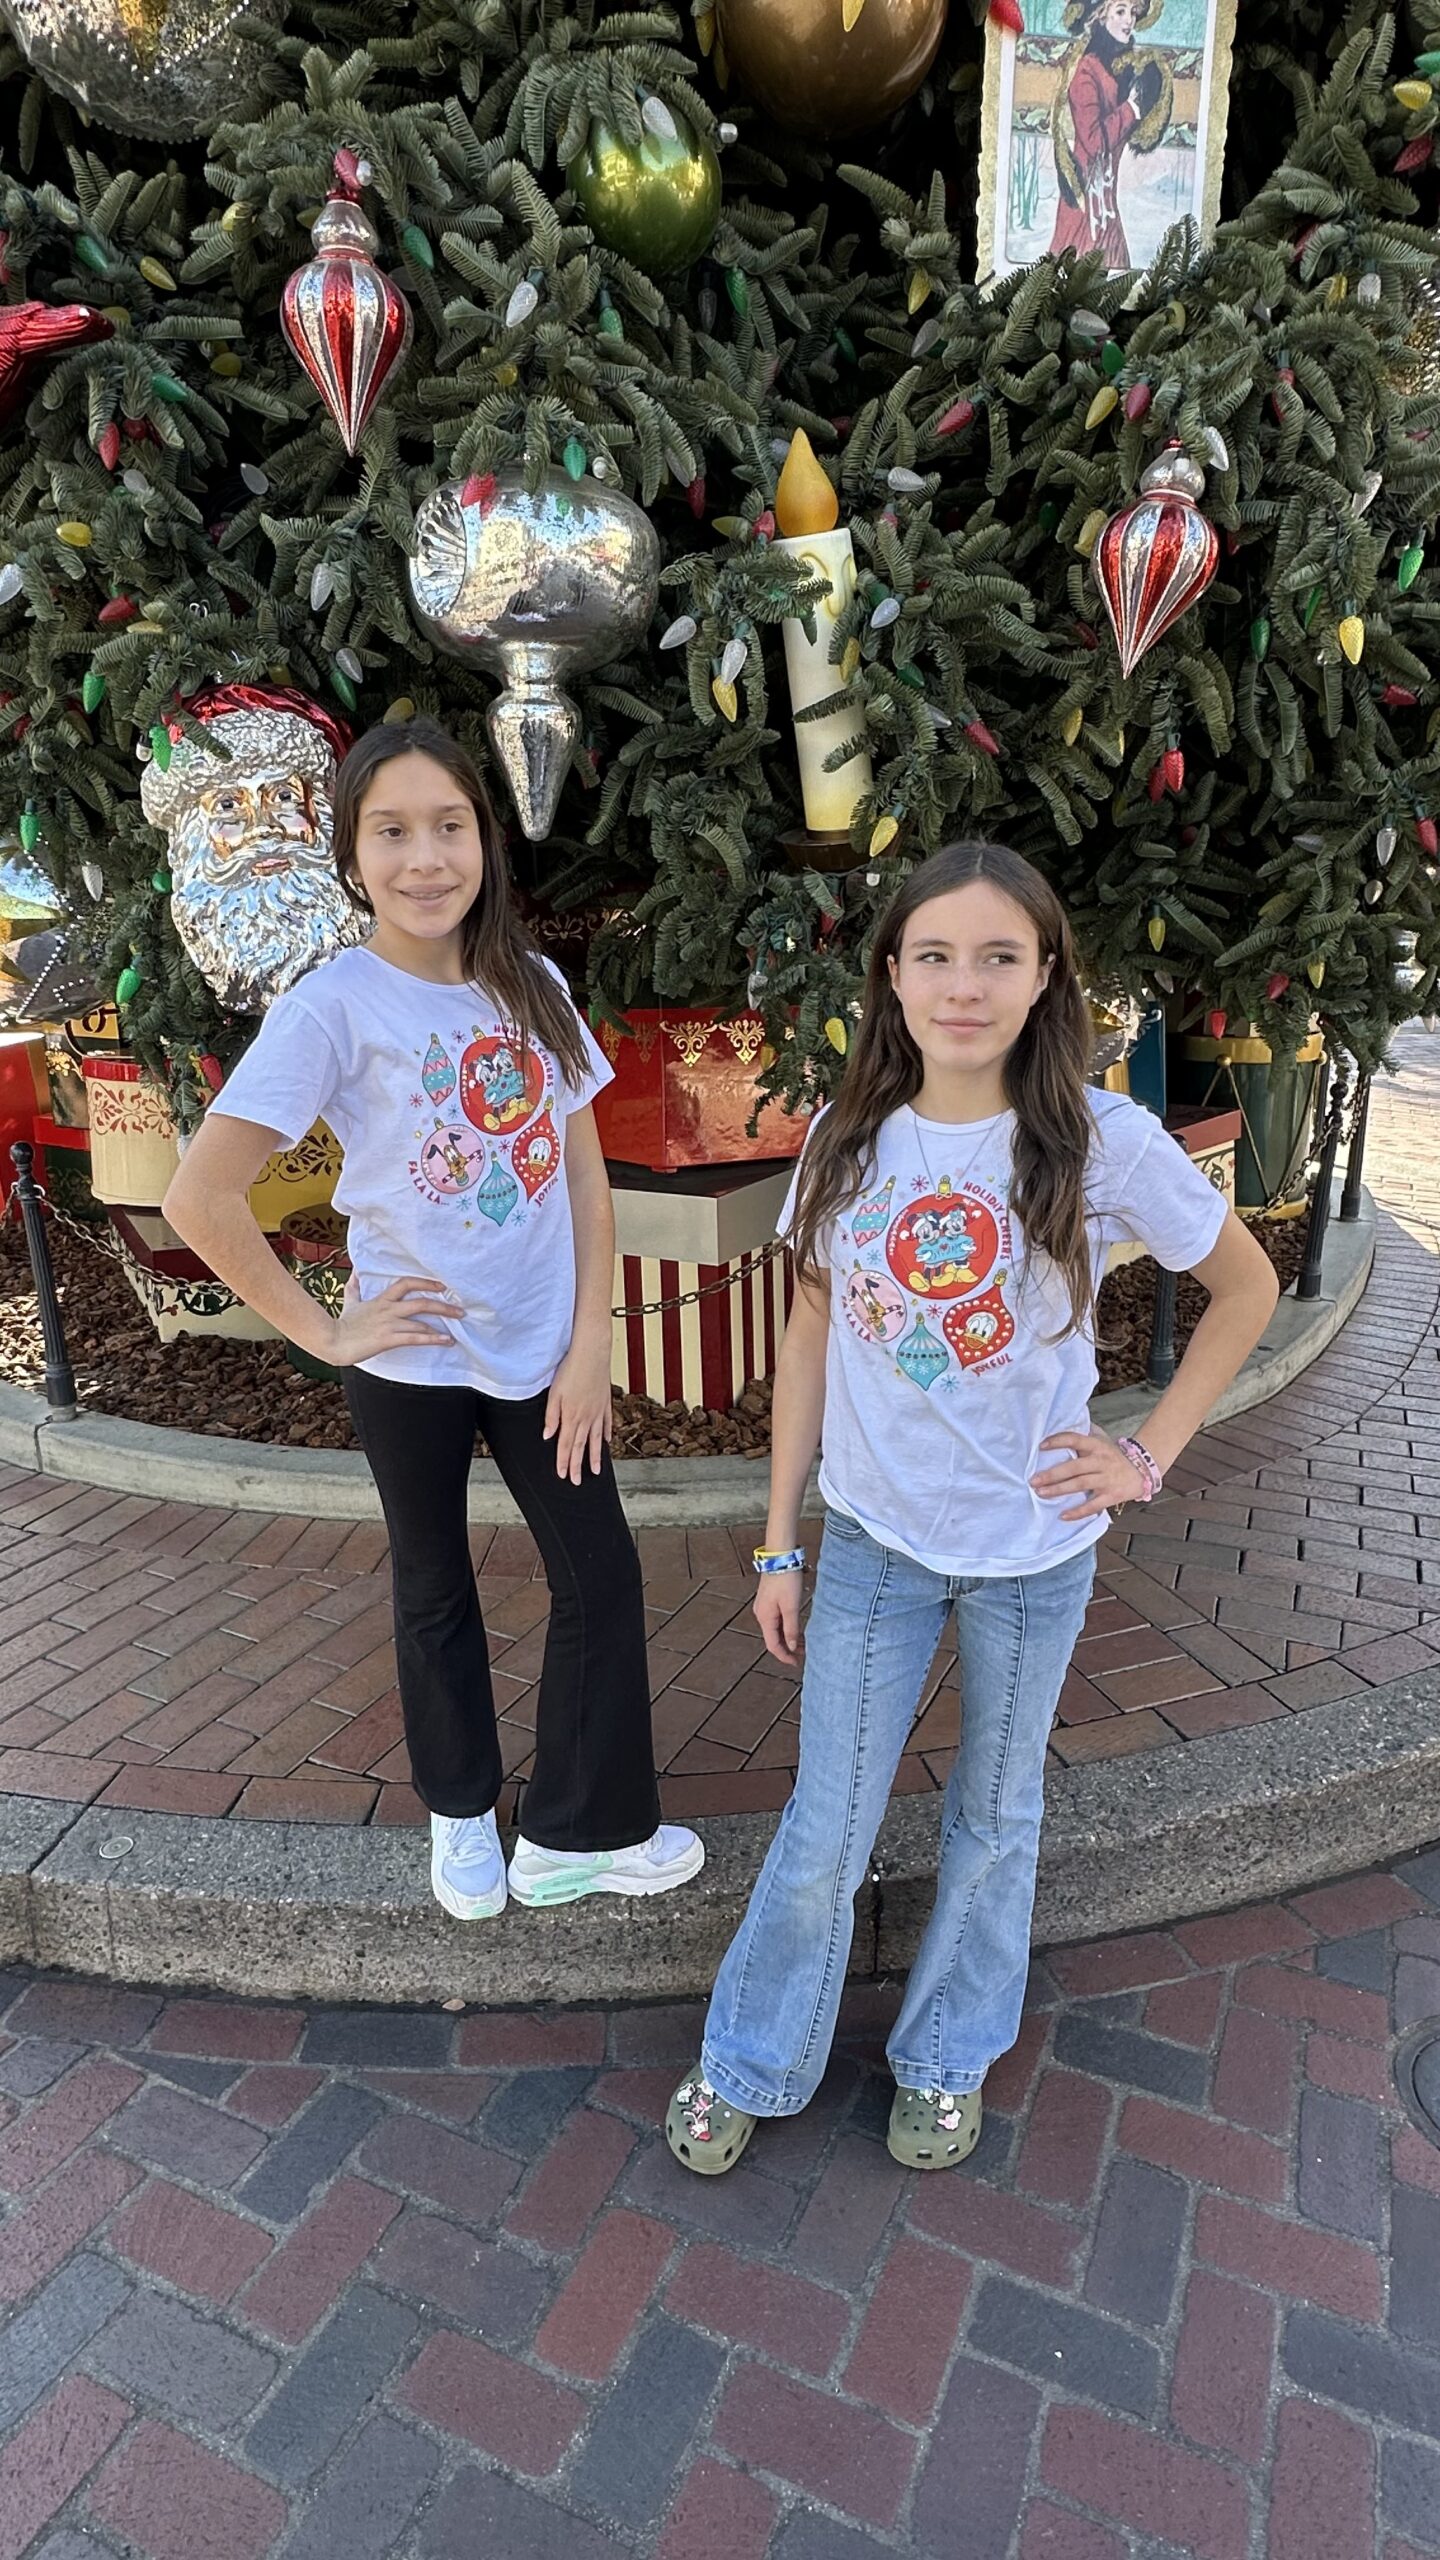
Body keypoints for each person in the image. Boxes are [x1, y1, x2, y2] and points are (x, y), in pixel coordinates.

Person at [666, 842, 1276, 2176]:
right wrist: (777, 1541)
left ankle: (947, 2055)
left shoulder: (1101, 1141)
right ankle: (754, 2054)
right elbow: (809, 1338)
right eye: (936, 955)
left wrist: (1147, 1456)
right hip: (873, 1546)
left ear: (1045, 975)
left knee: (997, 1820)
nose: (964, 986)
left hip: (1034, 1556)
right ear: (892, 975)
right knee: (828, 1823)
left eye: (999, 957)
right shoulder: (848, 1138)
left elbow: (1248, 1289)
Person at [164, 715, 702, 1924]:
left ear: (486, 839)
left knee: (602, 1574)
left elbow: (584, 1177)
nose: (425, 858)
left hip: (542, 1350)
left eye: (449, 826)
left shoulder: (534, 985)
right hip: (408, 1356)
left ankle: (573, 1831)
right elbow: (200, 1194)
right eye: (392, 831)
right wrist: (324, 1331)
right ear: (351, 852)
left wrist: (592, 1344)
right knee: (433, 1581)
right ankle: (460, 1810)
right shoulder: (332, 1006)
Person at [1047, 0, 1171, 270]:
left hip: (1106, 207)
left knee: (1117, 275)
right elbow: (1093, 141)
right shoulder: (1086, 70)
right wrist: (1133, 107)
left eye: (1133, 12)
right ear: (1101, 16)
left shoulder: (1122, 68)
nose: (1129, 20)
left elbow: (1137, 136)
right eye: (1120, 11)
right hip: (1084, 207)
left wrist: (1150, 98)